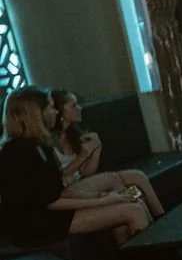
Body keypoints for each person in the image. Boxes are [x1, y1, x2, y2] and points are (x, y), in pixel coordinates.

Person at [0, 87, 151, 245]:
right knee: (134, 210)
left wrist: (100, 197)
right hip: (33, 225)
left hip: (50, 212)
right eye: (51, 107)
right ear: (37, 114)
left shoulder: (40, 144)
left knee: (135, 200)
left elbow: (58, 190)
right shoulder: (15, 152)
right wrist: (103, 200)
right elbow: (52, 201)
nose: (56, 112)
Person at [50, 88, 164, 217]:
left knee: (138, 177)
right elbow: (59, 176)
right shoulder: (50, 141)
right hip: (69, 189)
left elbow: (86, 173)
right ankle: (137, 213)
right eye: (74, 105)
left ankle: (159, 218)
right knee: (116, 182)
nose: (80, 108)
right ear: (60, 111)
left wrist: (97, 147)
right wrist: (84, 155)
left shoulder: (74, 134)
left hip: (83, 182)